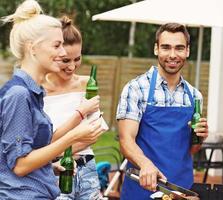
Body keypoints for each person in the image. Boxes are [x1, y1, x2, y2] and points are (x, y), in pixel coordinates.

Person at [0, 0, 102, 199]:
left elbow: (30, 151)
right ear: (33, 48)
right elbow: (20, 165)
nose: (63, 53)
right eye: (57, 45)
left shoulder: (32, 93)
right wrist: (73, 137)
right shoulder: (19, 95)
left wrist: (47, 167)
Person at [116, 23, 209, 199]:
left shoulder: (195, 96)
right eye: (166, 47)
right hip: (142, 186)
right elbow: (126, 141)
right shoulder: (136, 89)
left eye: (179, 48)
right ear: (156, 49)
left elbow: (190, 150)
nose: (173, 55)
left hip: (180, 189)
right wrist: (145, 164)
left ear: (187, 51)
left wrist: (200, 139)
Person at [42, 16, 109, 200]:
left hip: (87, 169)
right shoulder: (39, 90)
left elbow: (95, 131)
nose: (72, 66)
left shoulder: (87, 84)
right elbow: (40, 141)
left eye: (77, 59)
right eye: (65, 60)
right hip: (56, 172)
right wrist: (63, 151)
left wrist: (59, 149)